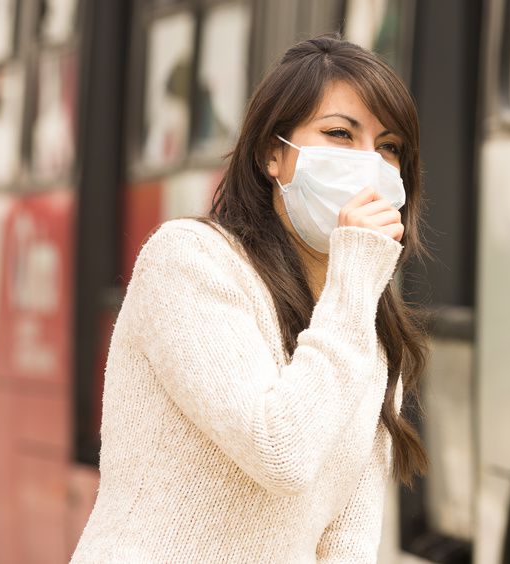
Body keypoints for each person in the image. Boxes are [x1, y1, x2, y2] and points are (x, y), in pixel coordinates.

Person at [71, 35, 428, 563]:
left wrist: (355, 292)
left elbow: (349, 538)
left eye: (389, 147)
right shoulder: (187, 262)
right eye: (339, 134)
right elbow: (279, 450)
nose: (368, 165)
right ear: (273, 155)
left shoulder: (363, 330)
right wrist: (354, 284)